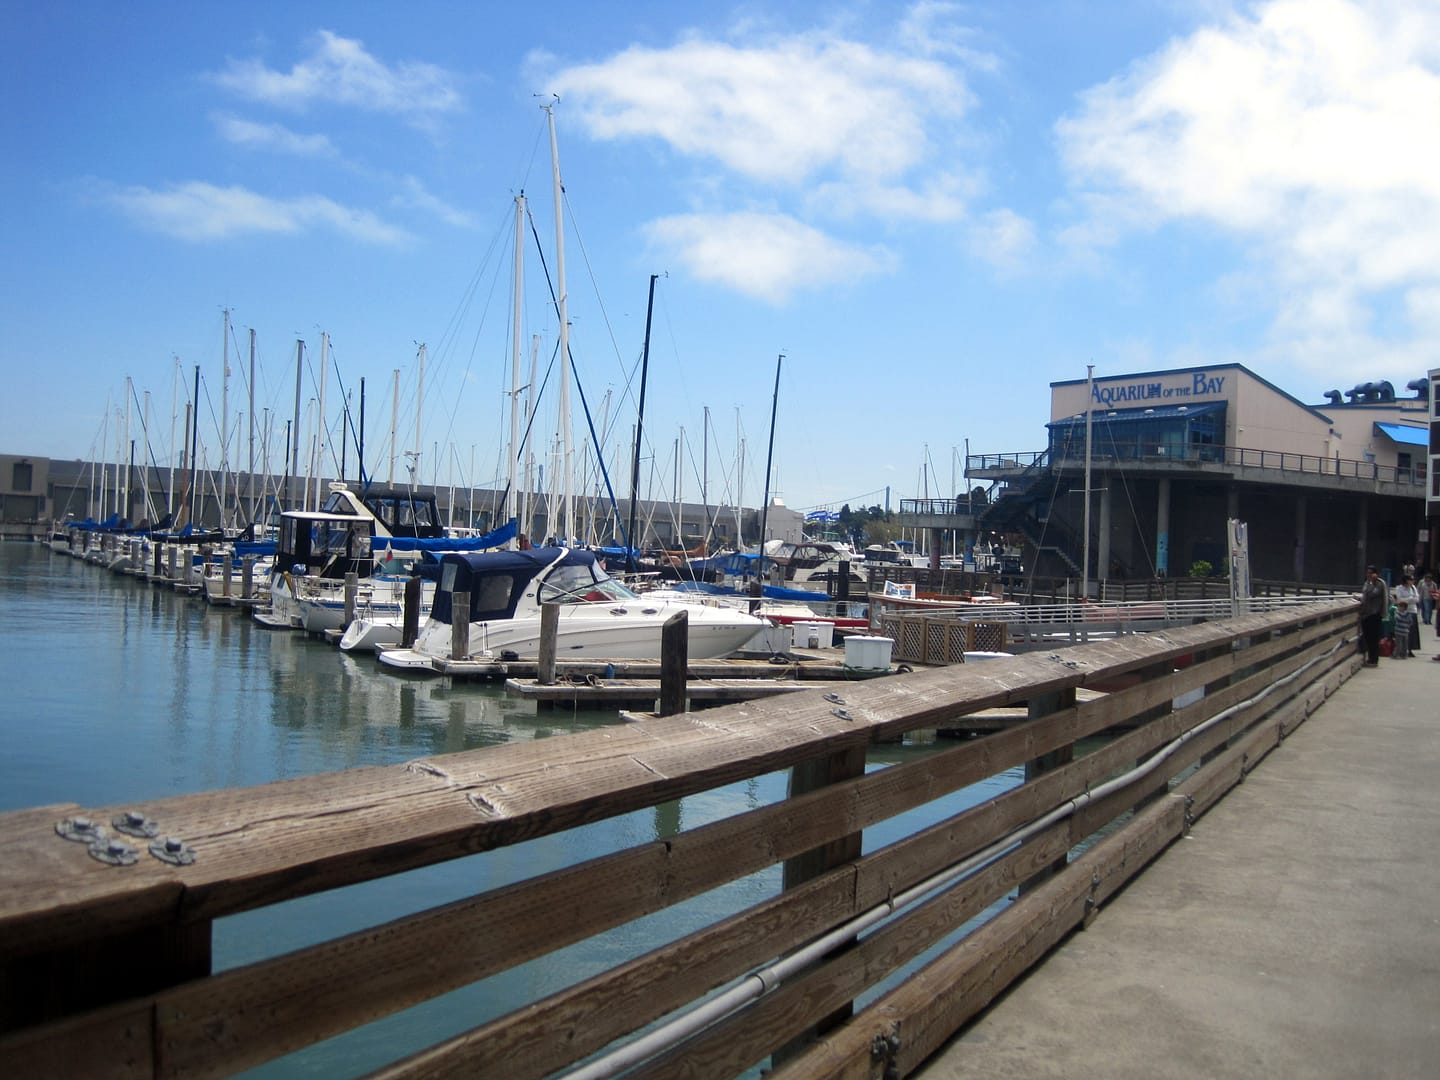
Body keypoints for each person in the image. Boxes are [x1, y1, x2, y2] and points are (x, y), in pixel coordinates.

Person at [1358, 565, 1387, 667]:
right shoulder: (1367, 583)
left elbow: (1371, 594)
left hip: (1374, 614)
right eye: (1368, 572)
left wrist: (1371, 583)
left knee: (1373, 638)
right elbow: (1364, 594)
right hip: (1366, 614)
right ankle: (1370, 658)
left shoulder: (1378, 584)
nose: (1369, 575)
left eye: (1371, 573)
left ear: (1376, 574)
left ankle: (1374, 660)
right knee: (1367, 637)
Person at [1393, 574, 1421, 655]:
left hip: (1412, 611)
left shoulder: (1413, 588)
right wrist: (1410, 599)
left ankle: (1410, 649)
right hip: (1403, 611)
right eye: (1411, 580)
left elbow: (1417, 599)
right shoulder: (1399, 588)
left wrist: (1407, 600)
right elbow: (1399, 599)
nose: (1413, 581)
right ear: (1406, 580)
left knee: (1412, 632)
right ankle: (1401, 650)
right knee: (1402, 632)